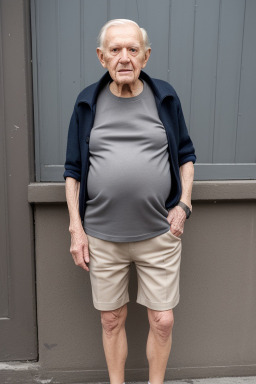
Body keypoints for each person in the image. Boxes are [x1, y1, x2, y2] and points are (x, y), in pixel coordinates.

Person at [64, 19, 196, 384]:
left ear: (146, 55)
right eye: (116, 50)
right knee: (111, 319)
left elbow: (186, 155)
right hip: (103, 237)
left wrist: (183, 206)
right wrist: (77, 228)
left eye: (133, 49)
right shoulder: (87, 103)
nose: (124, 57)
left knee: (163, 320)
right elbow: (73, 170)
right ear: (101, 56)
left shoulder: (165, 98)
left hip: (159, 233)